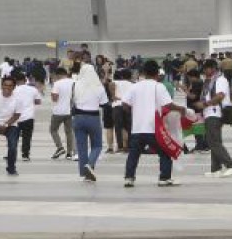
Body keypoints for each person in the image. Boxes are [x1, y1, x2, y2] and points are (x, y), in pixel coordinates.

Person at [121, 60, 183, 188]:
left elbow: (124, 105)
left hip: (137, 128)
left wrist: (134, 113)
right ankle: (164, 178)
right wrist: (181, 109)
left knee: (134, 154)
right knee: (165, 152)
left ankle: (129, 178)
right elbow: (168, 105)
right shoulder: (159, 86)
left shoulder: (135, 86)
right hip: (154, 128)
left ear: (143, 72)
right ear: (157, 73)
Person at [198, 60, 232, 178]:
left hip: (215, 113)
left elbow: (220, 96)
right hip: (210, 113)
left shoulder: (220, 80)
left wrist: (205, 104)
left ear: (212, 68)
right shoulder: (211, 81)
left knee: (213, 142)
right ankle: (215, 169)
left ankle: (231, 165)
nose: (204, 72)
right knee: (215, 141)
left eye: (206, 69)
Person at [70, 64, 107, 181]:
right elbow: (104, 103)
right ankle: (89, 165)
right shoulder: (98, 86)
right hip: (93, 118)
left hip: (78, 117)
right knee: (97, 145)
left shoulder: (75, 85)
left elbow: (73, 100)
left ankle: (85, 174)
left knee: (82, 148)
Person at [12, 71, 40, 161]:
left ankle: (12, 154)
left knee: (13, 137)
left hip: (16, 117)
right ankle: (25, 155)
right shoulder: (33, 89)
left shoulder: (13, 90)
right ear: (25, 80)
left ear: (15, 80)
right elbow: (38, 101)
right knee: (27, 137)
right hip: (29, 117)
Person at [49, 68, 75, 160]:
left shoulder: (57, 83)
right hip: (70, 111)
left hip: (58, 111)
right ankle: (69, 153)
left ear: (58, 75)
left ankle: (60, 147)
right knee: (69, 132)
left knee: (53, 130)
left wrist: (52, 95)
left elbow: (55, 98)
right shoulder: (73, 82)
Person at [110, 68, 132, 153]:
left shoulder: (115, 82)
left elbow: (111, 84)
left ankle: (120, 146)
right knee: (129, 127)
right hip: (127, 106)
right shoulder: (131, 84)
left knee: (118, 127)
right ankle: (129, 146)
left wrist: (113, 95)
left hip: (117, 106)